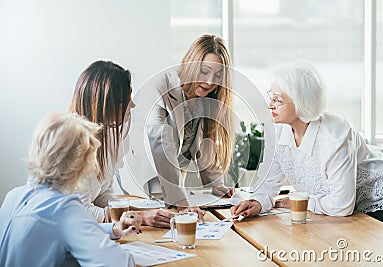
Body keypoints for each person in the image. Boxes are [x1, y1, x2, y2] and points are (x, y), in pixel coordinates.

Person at [231, 61, 383, 224]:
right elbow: (269, 179)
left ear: (301, 102)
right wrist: (258, 202)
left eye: (278, 100)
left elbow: (341, 205)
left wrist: (299, 202)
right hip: (332, 198)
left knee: (359, 247)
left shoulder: (335, 135)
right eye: (271, 97)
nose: (270, 106)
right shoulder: (275, 128)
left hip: (371, 191)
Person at [0, 112, 140, 266]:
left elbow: (61, 230)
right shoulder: (63, 207)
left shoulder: (13, 196)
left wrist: (112, 229)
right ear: (83, 161)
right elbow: (120, 263)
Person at [123, 34, 235, 212]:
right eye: (204, 71)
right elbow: (160, 144)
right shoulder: (158, 88)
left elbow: (206, 140)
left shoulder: (206, 97)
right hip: (146, 179)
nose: (210, 82)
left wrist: (215, 182)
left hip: (174, 186)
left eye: (218, 75)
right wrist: (180, 200)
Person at [69, 60, 175, 228]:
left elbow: (103, 194)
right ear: (104, 104)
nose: (132, 104)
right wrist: (140, 216)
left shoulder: (111, 135)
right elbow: (80, 212)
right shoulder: (73, 146)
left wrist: (134, 211)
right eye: (125, 100)